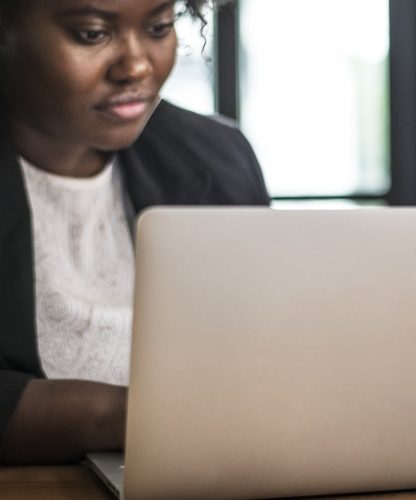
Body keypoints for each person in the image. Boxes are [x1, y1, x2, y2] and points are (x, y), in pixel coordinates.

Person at [0, 0, 269, 464]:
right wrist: (128, 416)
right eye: (91, 34)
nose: (137, 65)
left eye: (160, 27)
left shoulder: (217, 157)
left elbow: (268, 350)